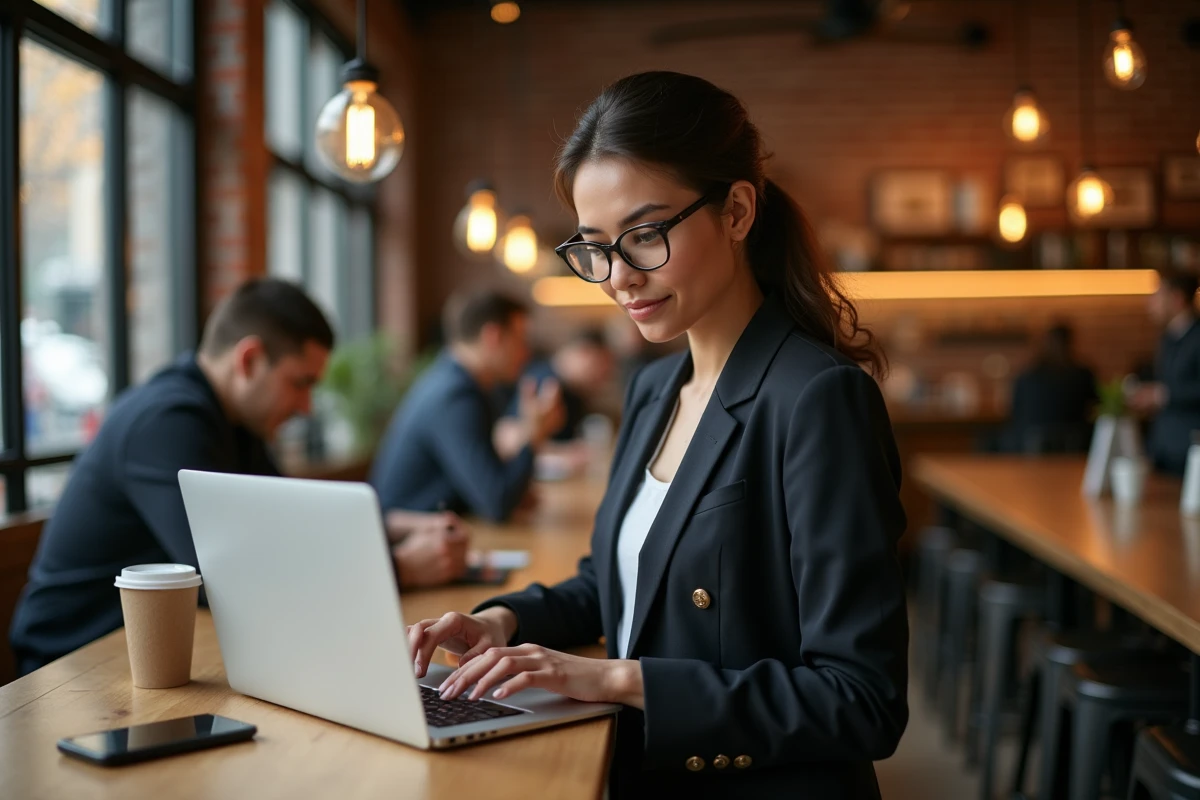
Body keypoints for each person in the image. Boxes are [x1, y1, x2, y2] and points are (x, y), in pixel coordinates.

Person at [407, 72, 908, 799]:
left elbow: (862, 698)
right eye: (596, 247)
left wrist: (614, 677)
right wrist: (502, 621)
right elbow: (618, 584)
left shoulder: (815, 399)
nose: (618, 278)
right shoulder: (652, 389)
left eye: (644, 236)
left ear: (736, 211)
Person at [10, 279, 467, 676]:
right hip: (74, 660)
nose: (307, 406)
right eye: (300, 383)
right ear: (248, 359)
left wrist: (391, 526)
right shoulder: (168, 420)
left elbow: (288, 524)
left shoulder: (235, 422)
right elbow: (233, 582)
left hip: (158, 646)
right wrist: (400, 567)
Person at [370, 289, 564, 522]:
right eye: (521, 339)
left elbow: (487, 487)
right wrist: (534, 436)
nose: (526, 352)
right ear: (493, 336)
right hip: (406, 543)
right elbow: (497, 503)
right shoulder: (455, 396)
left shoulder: (457, 382)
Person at [493, 329, 617, 458]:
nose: (602, 380)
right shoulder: (543, 381)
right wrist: (565, 452)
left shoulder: (575, 392)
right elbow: (506, 436)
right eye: (600, 368)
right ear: (584, 353)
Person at [1129, 270, 1200, 475]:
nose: (1150, 303)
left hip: (1190, 451)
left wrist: (1163, 395)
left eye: (1158, 295)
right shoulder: (1167, 338)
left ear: (1177, 299)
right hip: (1163, 450)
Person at [1003, 323, 1097, 453]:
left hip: (1031, 444)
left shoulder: (1028, 373)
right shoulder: (1082, 373)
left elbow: (1014, 409)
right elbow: (1095, 407)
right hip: (1075, 445)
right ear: (1070, 343)